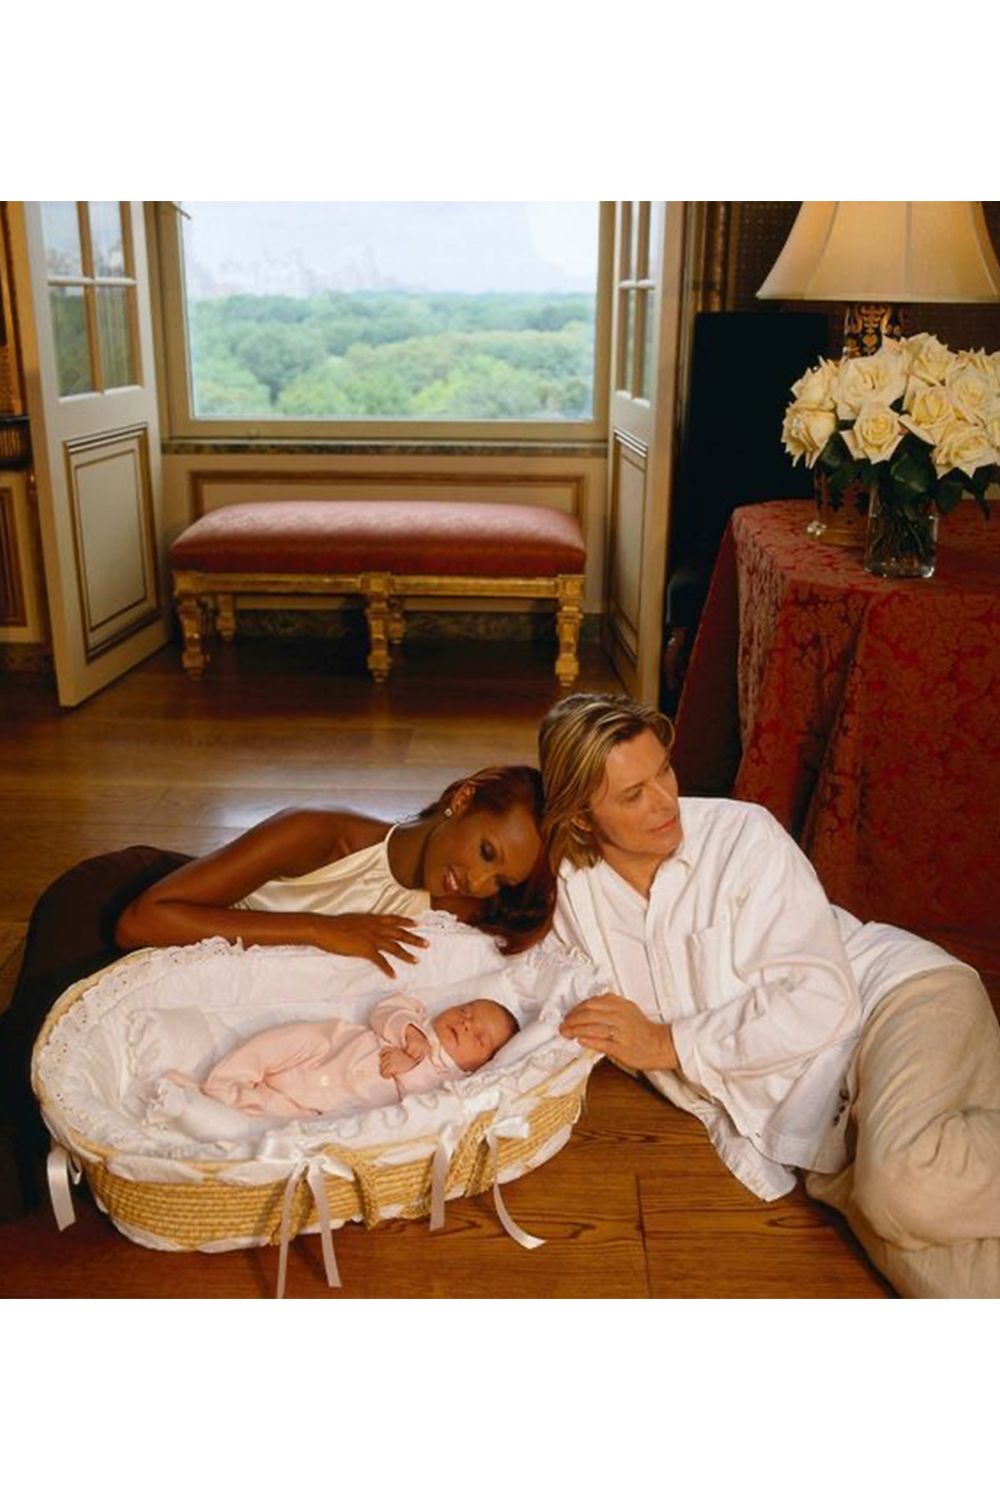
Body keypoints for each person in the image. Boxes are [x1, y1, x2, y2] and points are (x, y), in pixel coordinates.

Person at [538, 692, 1000, 1298]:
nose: (666, 801)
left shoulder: (740, 837)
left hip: (893, 1006)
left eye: (664, 772)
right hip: (820, 1135)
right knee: (968, 1289)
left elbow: (822, 999)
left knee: (908, 1187)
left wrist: (667, 1043)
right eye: (633, 795)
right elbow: (502, 967)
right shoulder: (570, 895)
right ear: (580, 819)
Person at [0, 765, 552, 1215]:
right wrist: (320, 929)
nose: (479, 882)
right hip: (122, 908)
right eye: (486, 853)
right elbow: (140, 921)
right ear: (463, 797)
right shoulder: (319, 834)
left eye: (500, 880)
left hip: (178, 967)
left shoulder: (457, 899)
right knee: (24, 1100)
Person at [158, 996, 519, 1134]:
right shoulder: (417, 1019)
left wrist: (411, 1066)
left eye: (479, 1036)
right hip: (328, 1049)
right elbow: (385, 1009)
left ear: (478, 1067)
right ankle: (225, 1079)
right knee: (279, 1041)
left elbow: (425, 1113)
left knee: (285, 1125)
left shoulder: (448, 1082)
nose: (466, 1024)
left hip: (330, 1106)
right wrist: (410, 1034)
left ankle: (220, 1106)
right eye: (465, 1011)